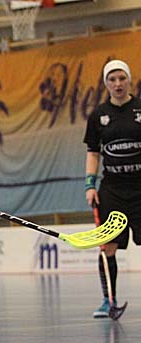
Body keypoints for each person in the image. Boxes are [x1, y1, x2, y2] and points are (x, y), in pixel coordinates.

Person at [84, 59, 140, 318]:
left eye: (122, 78)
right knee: (108, 246)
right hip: (112, 191)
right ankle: (109, 301)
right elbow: (93, 153)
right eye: (112, 80)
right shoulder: (98, 116)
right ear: (106, 83)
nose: (118, 84)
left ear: (129, 80)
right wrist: (89, 185)